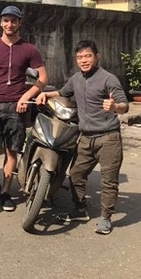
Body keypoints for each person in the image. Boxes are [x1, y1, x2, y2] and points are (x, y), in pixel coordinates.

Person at [36, 40, 128, 234]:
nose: (84, 60)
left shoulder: (108, 79)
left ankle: (105, 218)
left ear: (97, 57)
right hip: (85, 137)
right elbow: (63, 92)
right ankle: (80, 210)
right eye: (80, 57)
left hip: (108, 137)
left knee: (108, 180)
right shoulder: (77, 79)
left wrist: (114, 107)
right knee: (76, 174)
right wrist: (45, 95)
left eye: (88, 56)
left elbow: (123, 105)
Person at [0, 5, 48, 212]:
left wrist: (26, 96)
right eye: (6, 20)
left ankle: (5, 191)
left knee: (11, 150)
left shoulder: (29, 49)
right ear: (1, 22)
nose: (9, 24)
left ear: (19, 23)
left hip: (17, 107)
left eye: (13, 21)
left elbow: (43, 77)